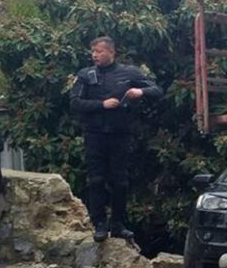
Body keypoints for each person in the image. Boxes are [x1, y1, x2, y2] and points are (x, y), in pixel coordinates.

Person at [70, 36, 163, 242]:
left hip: (120, 134)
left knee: (119, 181)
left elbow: (157, 90)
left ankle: (118, 224)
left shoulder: (129, 72)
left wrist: (140, 91)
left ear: (112, 52)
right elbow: (75, 103)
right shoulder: (85, 75)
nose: (95, 55)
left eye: (99, 51)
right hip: (94, 134)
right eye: (93, 51)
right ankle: (99, 224)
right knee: (96, 179)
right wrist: (101, 105)